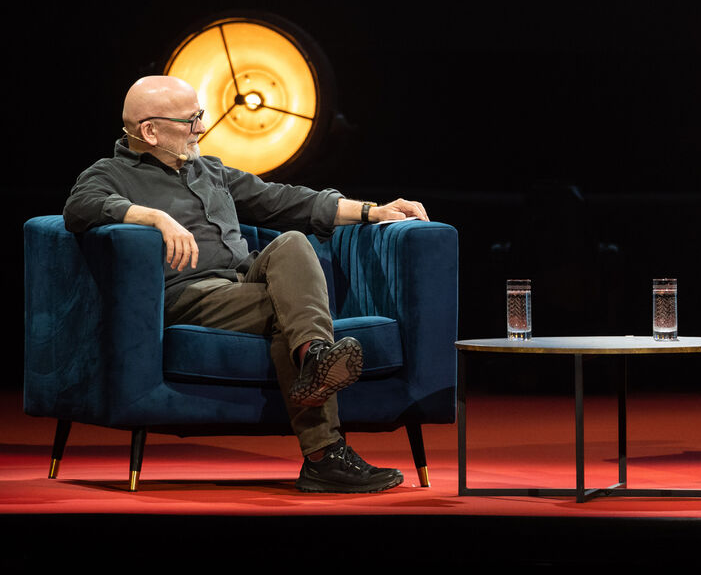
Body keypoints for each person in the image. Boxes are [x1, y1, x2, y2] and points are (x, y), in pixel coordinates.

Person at [64, 75, 431, 493]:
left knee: (291, 241)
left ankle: (315, 357)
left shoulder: (209, 170)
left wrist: (373, 211)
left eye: (199, 116)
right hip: (188, 294)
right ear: (150, 130)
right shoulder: (110, 174)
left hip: (242, 280)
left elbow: (286, 200)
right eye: (191, 120)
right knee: (287, 314)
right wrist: (152, 217)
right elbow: (79, 208)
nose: (201, 127)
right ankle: (324, 454)